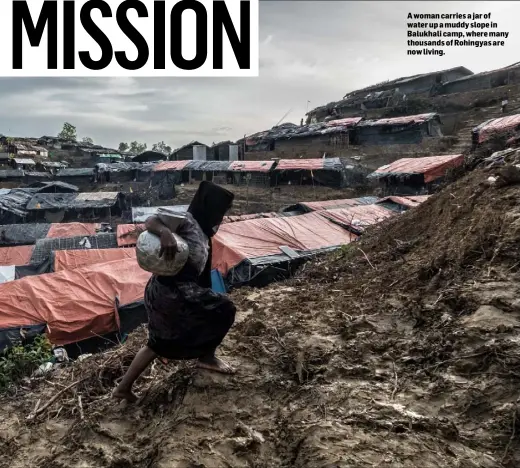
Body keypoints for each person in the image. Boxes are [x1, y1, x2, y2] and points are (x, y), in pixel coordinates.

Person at [114, 181, 236, 402]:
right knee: (223, 309)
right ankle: (206, 357)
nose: (222, 216)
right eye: (221, 211)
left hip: (179, 291)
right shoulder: (187, 221)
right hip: (169, 293)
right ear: (210, 206)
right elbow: (151, 221)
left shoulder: (203, 230)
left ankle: (124, 387)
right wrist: (165, 233)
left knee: (160, 341)